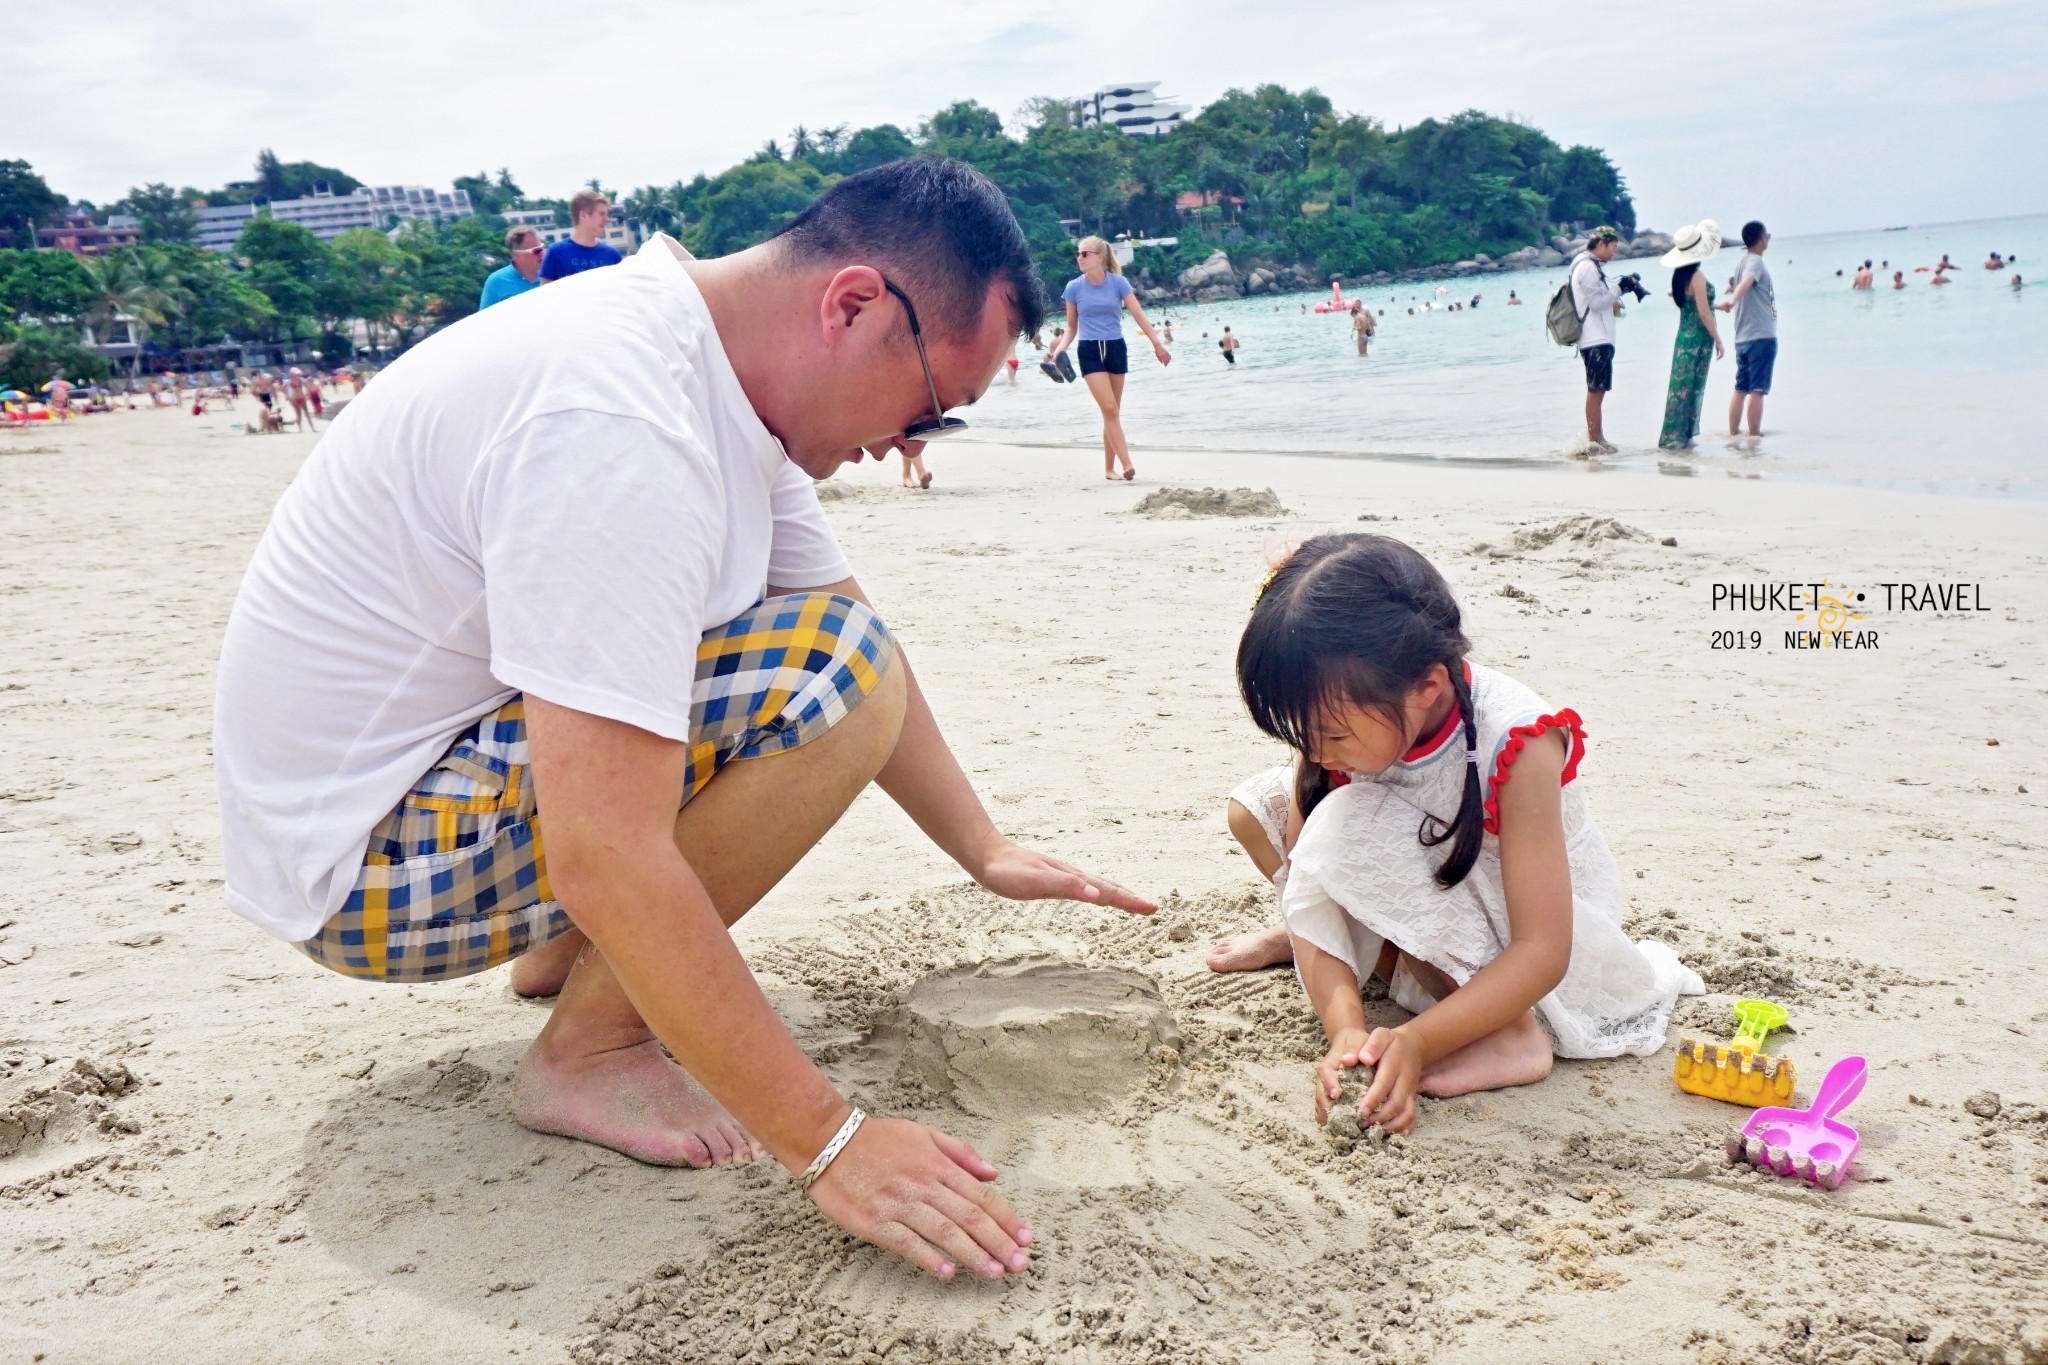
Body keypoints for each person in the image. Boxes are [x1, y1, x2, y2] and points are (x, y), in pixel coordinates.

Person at [213, 157, 1152, 1286]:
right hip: (362, 869)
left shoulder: (701, 375)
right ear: (850, 306)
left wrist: (982, 848)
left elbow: (864, 632)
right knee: (826, 672)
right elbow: (629, 834)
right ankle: (591, 1050)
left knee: (834, 651)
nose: (905, 442)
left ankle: (568, 966)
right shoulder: (624, 416)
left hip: (403, 797)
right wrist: (833, 1142)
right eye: (925, 409)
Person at [1216, 534, 1701, 1132]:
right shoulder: (1342, 713)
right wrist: (1345, 1027)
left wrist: (1418, 1042)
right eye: (1301, 732)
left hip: (1517, 931)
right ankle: (1321, 944)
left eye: (1331, 736)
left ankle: (1513, 1037)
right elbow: (1306, 859)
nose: (1314, 750)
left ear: (1427, 686)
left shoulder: (1519, 742)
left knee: (1341, 831)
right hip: (1421, 861)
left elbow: (1542, 952)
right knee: (1258, 815)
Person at [1046, 236, 1170, 481]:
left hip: (1115, 348)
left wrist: (1157, 344)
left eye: (1085, 254)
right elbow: (1071, 327)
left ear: (1100, 257)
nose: (1079, 258)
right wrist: (1058, 351)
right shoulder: (1074, 287)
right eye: (1078, 254)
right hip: (1089, 350)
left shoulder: (1118, 283)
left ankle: (1108, 469)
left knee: (1112, 412)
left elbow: (1138, 314)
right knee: (1109, 408)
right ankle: (1127, 464)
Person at [1657, 221, 1727, 449]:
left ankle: (1675, 439)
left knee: (1680, 390)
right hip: (1698, 340)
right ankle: (1682, 438)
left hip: (1683, 339)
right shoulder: (1697, 276)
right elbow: (1704, 313)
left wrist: (1718, 306)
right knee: (1692, 388)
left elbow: (1693, 306)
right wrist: (1718, 338)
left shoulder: (1679, 277)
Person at [1717, 220, 1776, 437]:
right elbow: (1748, 281)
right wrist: (1732, 301)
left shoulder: (1741, 263)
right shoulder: (1755, 262)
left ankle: (1733, 435)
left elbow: (1741, 284)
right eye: (1767, 234)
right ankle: (1754, 437)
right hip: (1760, 336)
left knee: (1741, 389)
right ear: (1762, 237)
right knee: (1757, 390)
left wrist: (1732, 297)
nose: (1768, 238)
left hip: (1742, 338)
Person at [1569, 225, 1625, 453]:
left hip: (1595, 338)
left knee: (1598, 389)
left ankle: (1597, 438)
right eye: (1612, 247)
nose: (1614, 253)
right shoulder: (1588, 269)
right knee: (1596, 390)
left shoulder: (1586, 266)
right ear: (1601, 244)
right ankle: (1594, 441)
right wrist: (1619, 289)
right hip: (1595, 339)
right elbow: (1597, 303)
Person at [540, 190, 625, 282]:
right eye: (601, 214)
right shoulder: (556, 252)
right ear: (583, 215)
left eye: (607, 214)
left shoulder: (613, 255)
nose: (607, 219)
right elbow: (546, 294)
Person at [480, 226, 547, 309]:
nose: (542, 253)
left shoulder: (553, 274)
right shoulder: (496, 282)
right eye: (537, 250)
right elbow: (485, 319)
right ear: (517, 255)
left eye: (542, 248)